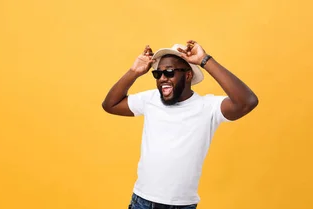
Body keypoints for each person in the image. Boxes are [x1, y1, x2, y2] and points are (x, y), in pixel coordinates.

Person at [101, 40, 258, 209]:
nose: (162, 79)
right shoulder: (150, 99)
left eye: (169, 72)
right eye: (158, 74)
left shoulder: (208, 107)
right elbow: (110, 105)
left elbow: (247, 102)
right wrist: (134, 72)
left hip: (182, 205)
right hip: (143, 201)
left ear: (188, 75)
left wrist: (205, 60)